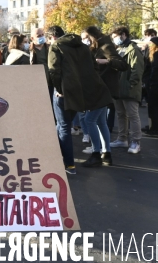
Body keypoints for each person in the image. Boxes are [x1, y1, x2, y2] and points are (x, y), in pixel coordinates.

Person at [47, 26, 112, 173]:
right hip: (79, 92)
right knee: (64, 125)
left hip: (64, 91)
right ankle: (61, 158)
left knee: (63, 126)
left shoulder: (56, 46)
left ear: (52, 37)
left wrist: (59, 89)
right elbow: (94, 67)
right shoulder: (82, 46)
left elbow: (54, 71)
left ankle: (69, 164)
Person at [80, 26, 129, 163]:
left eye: (85, 38)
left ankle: (96, 153)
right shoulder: (96, 47)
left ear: (92, 37)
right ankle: (106, 153)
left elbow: (123, 65)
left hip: (103, 90)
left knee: (89, 120)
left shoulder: (105, 46)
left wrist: (106, 61)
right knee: (101, 121)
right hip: (99, 89)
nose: (84, 41)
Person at [110, 27, 145, 151]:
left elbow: (137, 70)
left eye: (115, 36)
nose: (114, 39)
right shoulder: (120, 49)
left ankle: (136, 141)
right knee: (121, 114)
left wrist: (131, 84)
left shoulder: (134, 50)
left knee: (132, 115)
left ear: (123, 35)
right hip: (119, 87)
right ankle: (122, 139)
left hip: (128, 88)